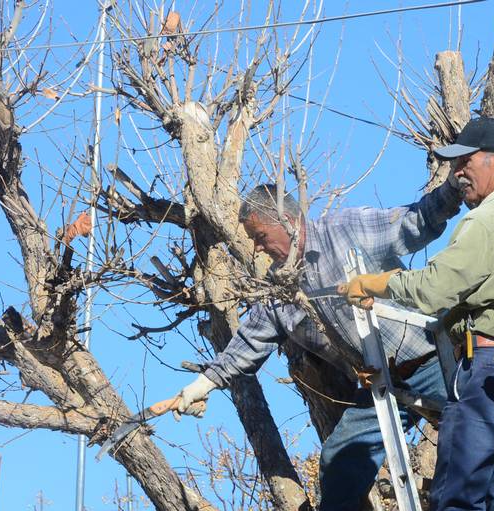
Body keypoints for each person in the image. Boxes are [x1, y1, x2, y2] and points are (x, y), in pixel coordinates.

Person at [172, 175, 464, 510]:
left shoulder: (345, 229)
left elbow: (413, 221)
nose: (257, 247)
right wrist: (203, 384)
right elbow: (249, 341)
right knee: (339, 459)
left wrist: (455, 188)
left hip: (432, 361)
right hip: (382, 385)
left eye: (260, 236)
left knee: (474, 443)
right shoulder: (281, 290)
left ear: (287, 221)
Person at [340, 116, 494, 510]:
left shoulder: (488, 218)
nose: (457, 172)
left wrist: (377, 283)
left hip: (490, 371)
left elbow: (433, 289)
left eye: (466, 161)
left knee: (458, 497)